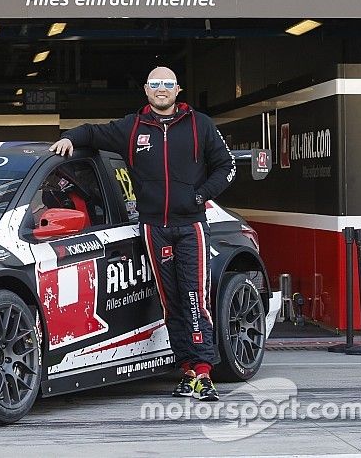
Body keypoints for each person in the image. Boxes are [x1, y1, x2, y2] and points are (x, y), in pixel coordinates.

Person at [50, 66, 235, 402]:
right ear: (146, 90)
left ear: (178, 89)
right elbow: (93, 132)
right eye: (154, 84)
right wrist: (69, 137)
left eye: (167, 84)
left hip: (191, 225)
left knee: (195, 299)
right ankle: (188, 371)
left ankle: (205, 372)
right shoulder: (131, 127)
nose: (161, 89)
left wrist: (199, 195)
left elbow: (227, 166)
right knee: (171, 302)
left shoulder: (201, 124)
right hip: (153, 227)